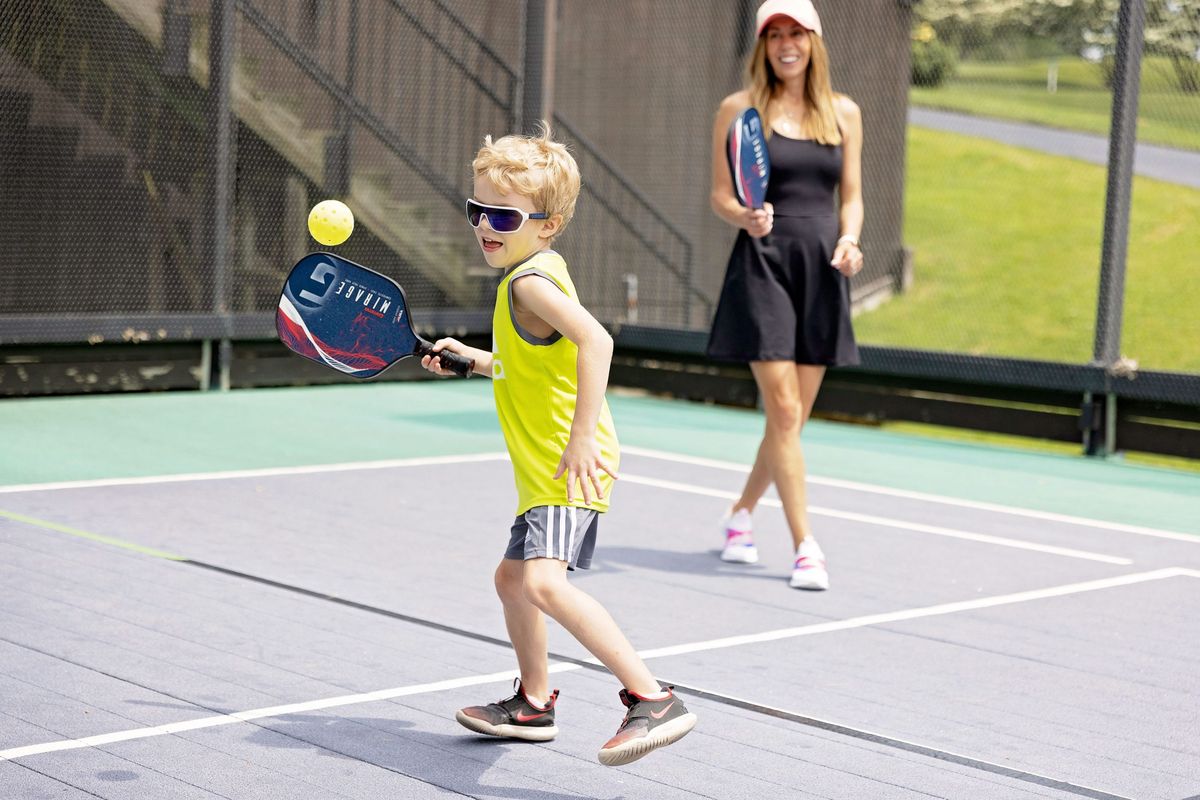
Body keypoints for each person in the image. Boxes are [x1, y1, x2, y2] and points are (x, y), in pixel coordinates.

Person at [420, 125, 697, 766]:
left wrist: (578, 443)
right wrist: (478, 361)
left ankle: (652, 698)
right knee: (512, 579)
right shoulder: (531, 275)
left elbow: (596, 342)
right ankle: (533, 705)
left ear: (548, 224)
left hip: (565, 465)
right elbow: (538, 364)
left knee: (541, 583)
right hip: (547, 465)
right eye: (476, 210)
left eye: (503, 215)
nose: (485, 225)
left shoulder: (528, 283)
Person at [706, 0, 865, 591]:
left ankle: (740, 515)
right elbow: (721, 195)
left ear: (814, 41)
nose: (785, 43)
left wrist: (850, 239)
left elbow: (851, 196)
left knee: (788, 422)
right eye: (774, 34)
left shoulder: (844, 113)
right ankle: (806, 548)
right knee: (787, 411)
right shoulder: (738, 109)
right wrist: (744, 217)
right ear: (763, 45)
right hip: (763, 266)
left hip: (822, 270)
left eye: (796, 32)